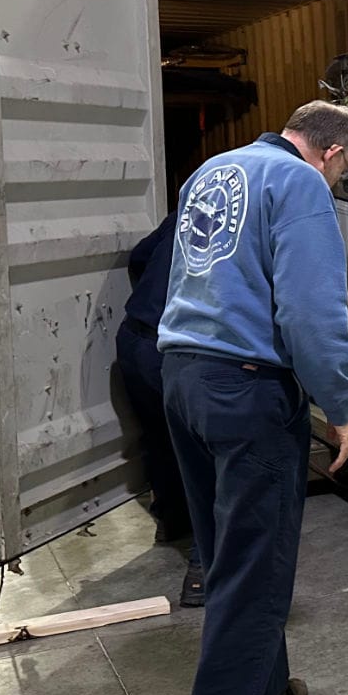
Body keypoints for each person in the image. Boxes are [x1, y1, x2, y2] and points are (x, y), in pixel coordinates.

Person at [158, 100, 348, 695]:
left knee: (227, 555)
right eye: (342, 177)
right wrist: (340, 406)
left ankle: (263, 692)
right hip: (247, 391)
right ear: (332, 154)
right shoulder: (300, 184)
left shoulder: (211, 171)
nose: (332, 187)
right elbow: (310, 310)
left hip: (184, 376)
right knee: (258, 566)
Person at [115, 208, 205, 608]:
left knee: (162, 435)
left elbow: (139, 255)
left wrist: (151, 299)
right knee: (208, 458)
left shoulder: (191, 210)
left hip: (134, 337)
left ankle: (171, 520)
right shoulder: (251, 223)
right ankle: (203, 571)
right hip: (172, 348)